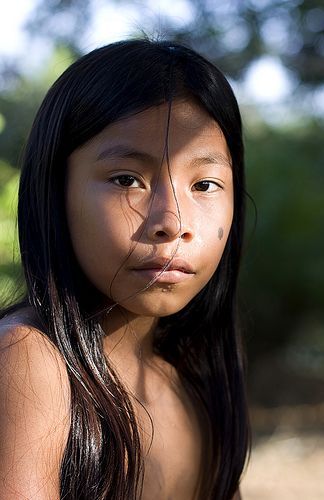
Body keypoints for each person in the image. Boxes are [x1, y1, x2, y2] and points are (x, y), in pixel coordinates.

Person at [0, 39, 249, 499]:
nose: (172, 222)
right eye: (126, 180)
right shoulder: (28, 357)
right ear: (55, 192)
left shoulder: (194, 387)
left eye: (205, 184)